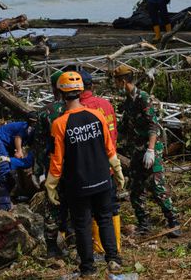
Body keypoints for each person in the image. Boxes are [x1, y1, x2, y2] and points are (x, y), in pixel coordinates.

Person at [46, 71, 125, 277]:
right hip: (101, 179)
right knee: (105, 219)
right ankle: (113, 261)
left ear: (61, 93)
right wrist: (117, 171)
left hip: (78, 184)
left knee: (82, 224)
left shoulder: (59, 124)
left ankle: (88, 269)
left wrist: (51, 185)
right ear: (81, 91)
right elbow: (110, 148)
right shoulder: (97, 115)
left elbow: (57, 160)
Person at [113, 65, 181, 237]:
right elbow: (124, 128)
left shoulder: (143, 98)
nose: (115, 85)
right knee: (135, 190)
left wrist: (151, 150)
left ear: (122, 81)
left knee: (157, 187)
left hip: (150, 150)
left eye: (115, 82)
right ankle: (144, 224)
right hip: (136, 150)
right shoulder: (128, 102)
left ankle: (174, 221)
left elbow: (153, 125)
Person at [77, 69, 122, 255]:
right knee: (111, 207)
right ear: (92, 85)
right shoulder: (106, 105)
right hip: (109, 164)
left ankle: (98, 248)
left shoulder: (78, 108)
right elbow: (114, 133)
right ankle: (116, 247)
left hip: (89, 169)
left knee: (91, 212)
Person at [31, 70, 68, 258]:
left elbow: (38, 145)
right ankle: (77, 244)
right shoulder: (78, 108)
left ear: (54, 88)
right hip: (75, 168)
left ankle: (52, 248)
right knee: (77, 205)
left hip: (53, 168)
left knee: (52, 207)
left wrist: (37, 171)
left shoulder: (46, 112)